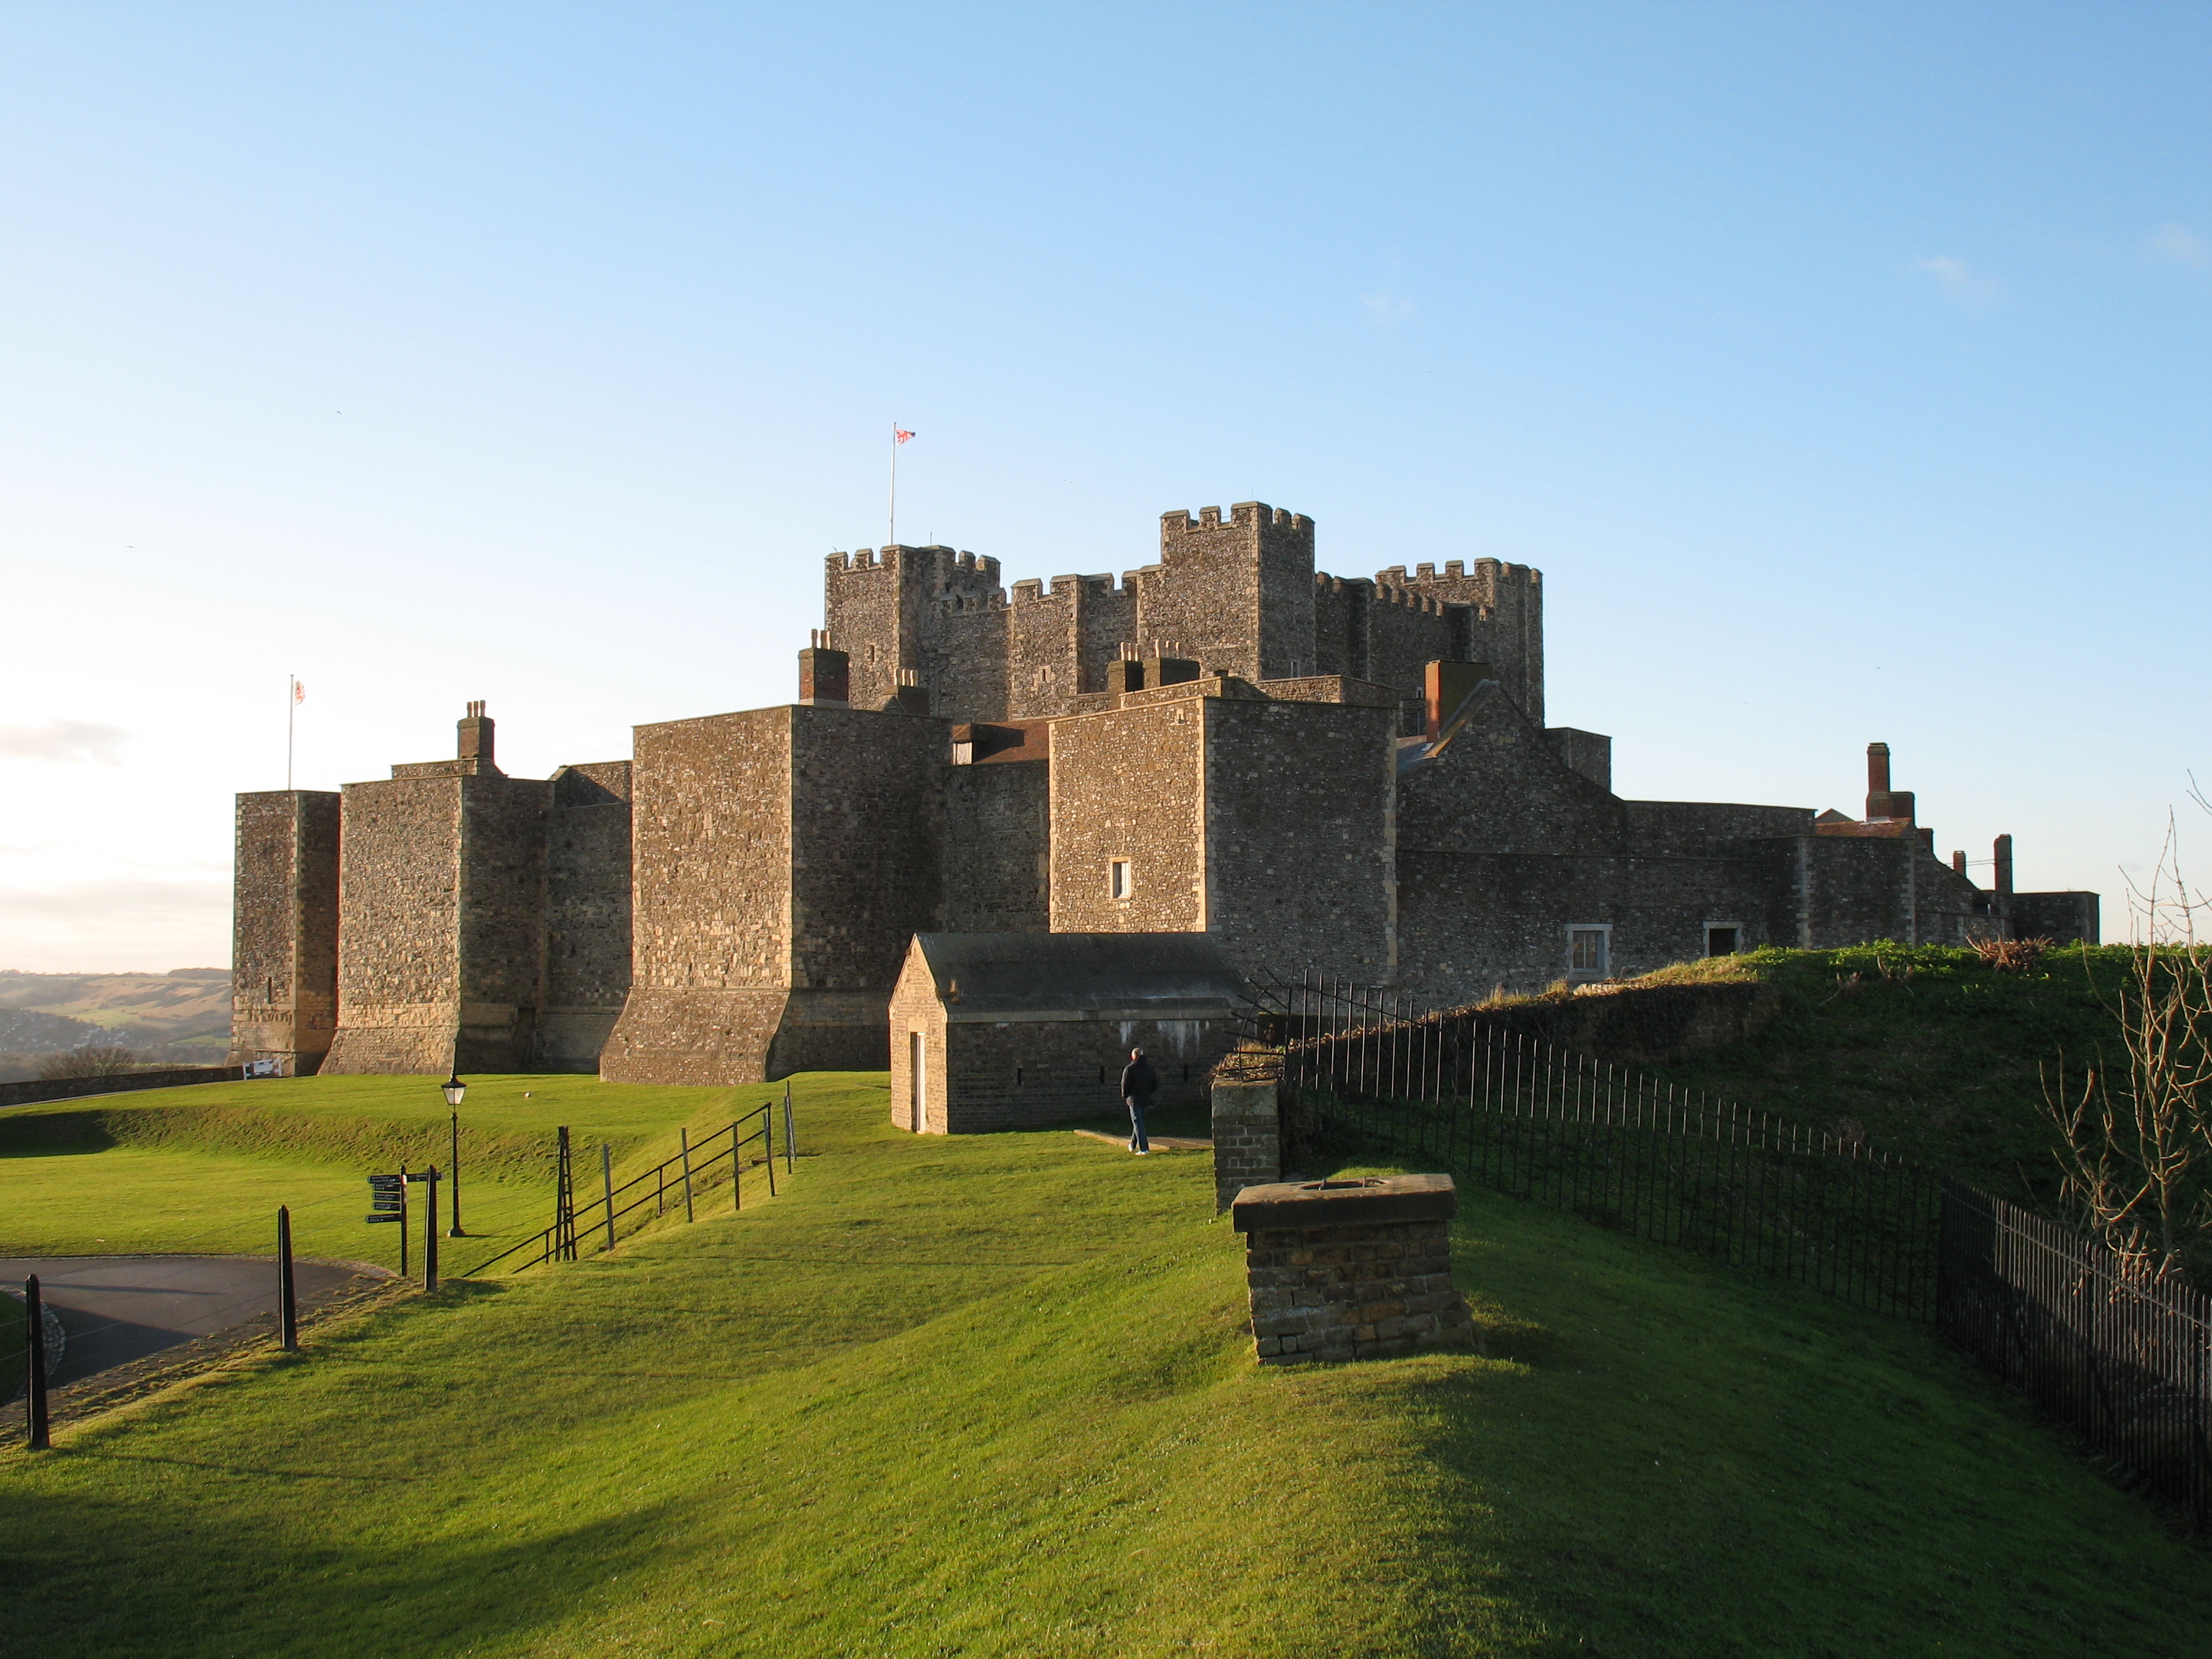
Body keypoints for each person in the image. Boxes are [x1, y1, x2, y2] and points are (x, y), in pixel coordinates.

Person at [1120, 1046, 1157, 1154]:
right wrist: (1148, 1093)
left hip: (1134, 1099)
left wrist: (1125, 1096)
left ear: (1133, 1056)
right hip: (1145, 1099)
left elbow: (1125, 1085)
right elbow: (1155, 1085)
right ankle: (1132, 1144)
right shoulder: (1150, 1068)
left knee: (1138, 1122)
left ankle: (1144, 1148)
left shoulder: (1130, 1069)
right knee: (1139, 1122)